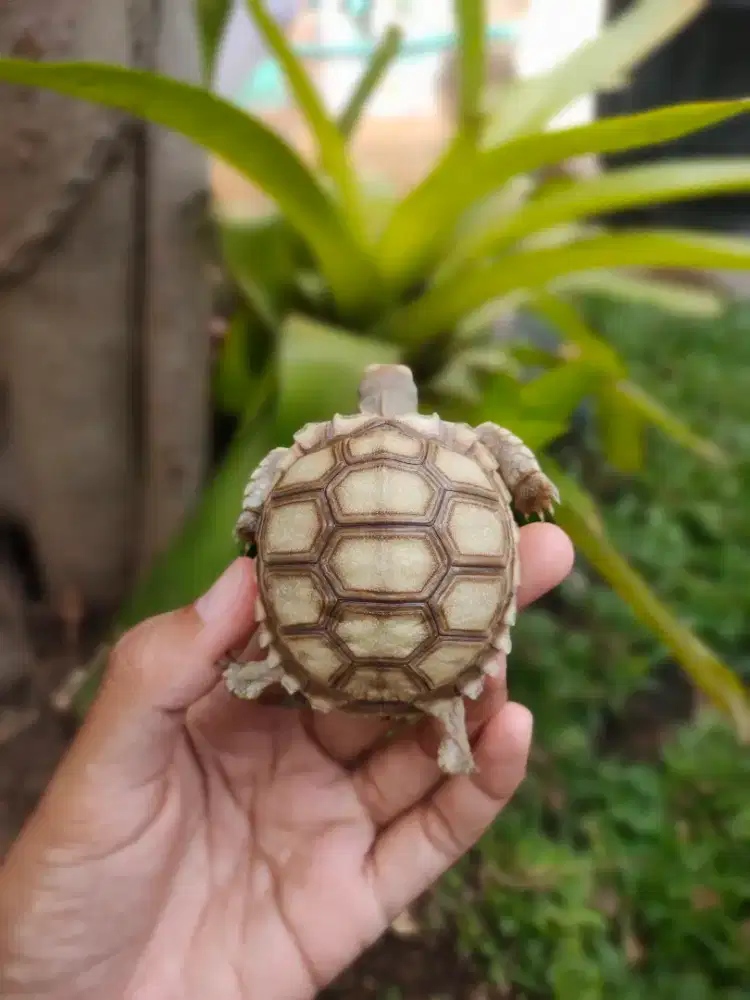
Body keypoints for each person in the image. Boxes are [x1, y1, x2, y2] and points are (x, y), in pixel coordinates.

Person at [0, 522, 573, 999]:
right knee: (463, 698)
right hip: (431, 659)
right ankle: (446, 714)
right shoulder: (463, 457)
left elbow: (262, 518)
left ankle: (397, 702)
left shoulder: (313, 452)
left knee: (270, 663)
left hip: (320, 655)